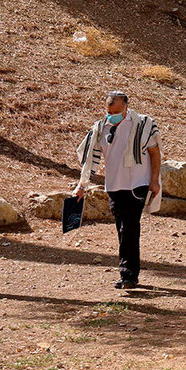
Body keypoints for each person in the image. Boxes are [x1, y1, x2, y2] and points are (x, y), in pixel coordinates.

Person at [74, 91, 162, 289]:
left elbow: (155, 153)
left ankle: (128, 276)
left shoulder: (143, 124)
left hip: (137, 184)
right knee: (121, 228)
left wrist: (154, 180)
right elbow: (90, 159)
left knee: (129, 227)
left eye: (116, 111)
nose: (111, 115)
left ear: (126, 108)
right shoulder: (100, 127)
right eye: (108, 111)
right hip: (114, 186)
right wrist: (82, 186)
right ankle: (127, 273)